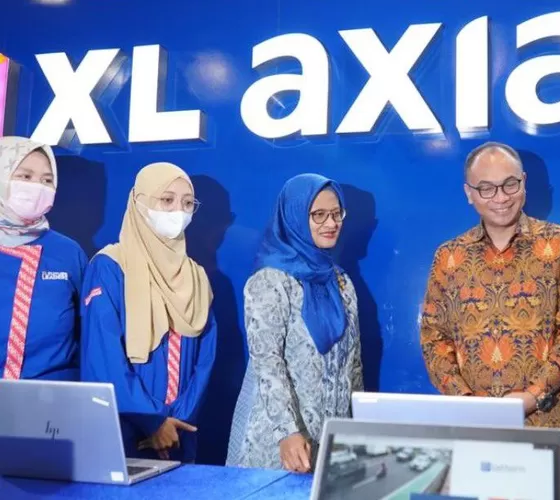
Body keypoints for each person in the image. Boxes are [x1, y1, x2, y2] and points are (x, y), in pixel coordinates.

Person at [420, 142, 560, 446]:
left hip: (544, 425)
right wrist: (465, 401)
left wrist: (532, 396)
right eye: (486, 189)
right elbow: (434, 338)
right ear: (469, 193)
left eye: (509, 184)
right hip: (471, 429)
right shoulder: (449, 257)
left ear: (523, 182)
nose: (501, 198)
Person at [226, 173, 363, 472]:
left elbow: (353, 366)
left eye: (336, 213)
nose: (331, 223)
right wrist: (287, 432)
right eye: (318, 215)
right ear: (294, 217)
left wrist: (357, 430)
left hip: (331, 443)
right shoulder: (270, 281)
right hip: (281, 446)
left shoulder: (341, 282)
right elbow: (267, 362)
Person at [80, 162, 216, 463]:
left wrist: (178, 420)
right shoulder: (110, 266)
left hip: (180, 432)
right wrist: (152, 421)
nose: (178, 211)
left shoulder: (196, 276)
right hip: (126, 430)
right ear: (140, 202)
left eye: (187, 203)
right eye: (166, 200)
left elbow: (205, 358)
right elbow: (102, 356)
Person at [0, 136, 87, 381]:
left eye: (47, 180)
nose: (37, 187)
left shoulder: (68, 252)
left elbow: (87, 333)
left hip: (52, 396)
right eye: (25, 176)